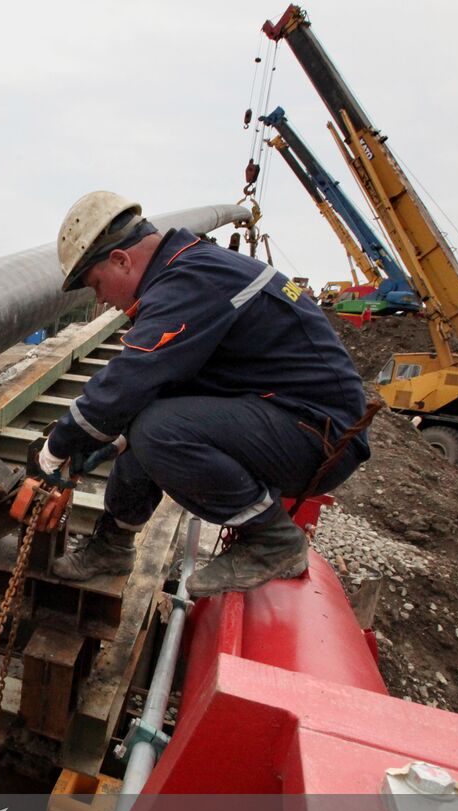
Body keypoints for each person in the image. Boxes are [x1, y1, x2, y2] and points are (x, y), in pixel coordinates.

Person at [39, 191, 370, 596]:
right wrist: (110, 440)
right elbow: (150, 389)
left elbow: (127, 380)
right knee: (140, 421)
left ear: (121, 260)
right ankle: (112, 545)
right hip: (289, 418)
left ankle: (272, 540)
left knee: (157, 430)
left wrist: (56, 447)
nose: (102, 300)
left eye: (97, 285)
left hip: (318, 436)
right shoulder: (190, 270)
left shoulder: (190, 281)